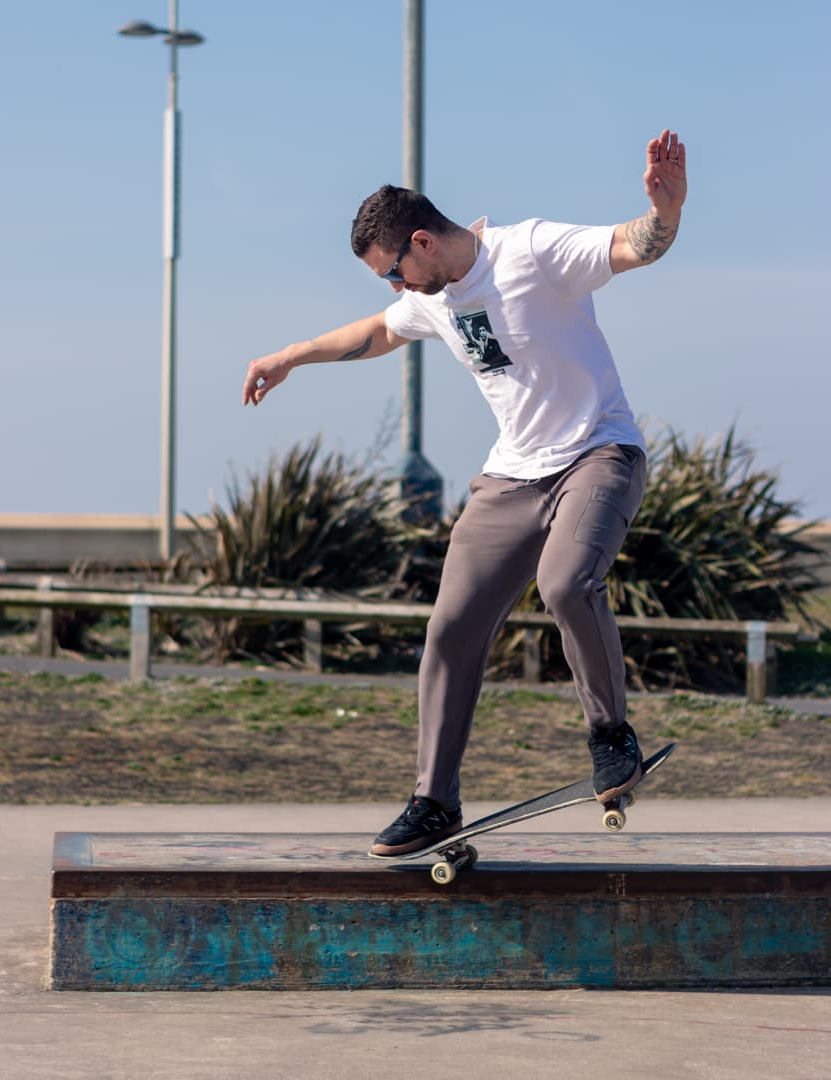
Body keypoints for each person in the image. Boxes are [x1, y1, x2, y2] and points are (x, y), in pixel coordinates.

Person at [242, 128, 687, 856]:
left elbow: (631, 246)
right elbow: (377, 332)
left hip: (598, 454)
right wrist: (291, 355)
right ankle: (434, 802)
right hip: (511, 476)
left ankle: (611, 737)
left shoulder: (532, 250)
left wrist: (666, 212)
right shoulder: (431, 297)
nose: (396, 289)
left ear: (422, 242)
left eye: (394, 271)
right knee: (450, 630)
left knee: (567, 583)